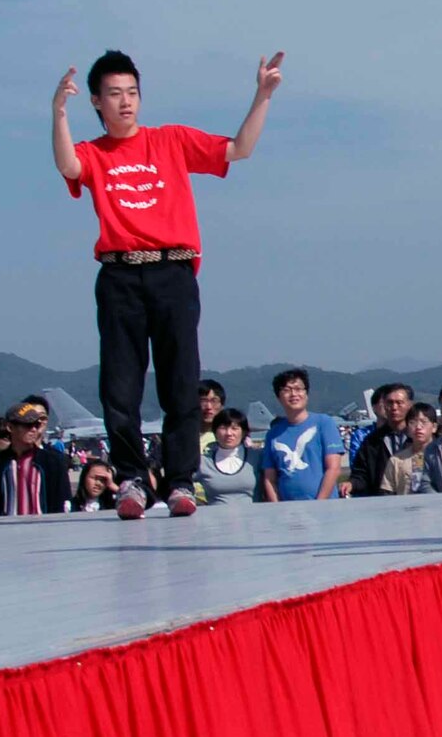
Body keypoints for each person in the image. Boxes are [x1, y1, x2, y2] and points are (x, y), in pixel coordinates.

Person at [52, 48, 281, 518]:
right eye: (114, 94)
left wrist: (262, 94)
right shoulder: (93, 153)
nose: (125, 102)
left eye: (132, 93)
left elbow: (239, 150)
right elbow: (69, 168)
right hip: (119, 274)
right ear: (96, 101)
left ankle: (179, 480)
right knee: (120, 387)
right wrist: (58, 112)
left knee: (181, 383)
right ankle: (133, 479)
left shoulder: (171, 140)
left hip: (173, 270)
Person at [0, 400, 73, 516]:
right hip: (5, 529)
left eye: (36, 425)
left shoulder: (53, 462)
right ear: (10, 427)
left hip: (44, 529)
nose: (33, 429)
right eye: (27, 425)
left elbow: (62, 503)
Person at [261, 369, 344, 502]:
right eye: (287, 390)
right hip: (288, 511)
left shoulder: (324, 422)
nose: (294, 394)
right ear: (278, 396)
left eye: (298, 389)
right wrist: (276, 508)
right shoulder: (273, 434)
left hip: (324, 508)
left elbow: (333, 468)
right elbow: (269, 478)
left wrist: (319, 503)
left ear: (306, 394)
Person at [349, 383, 413, 497]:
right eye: (390, 403)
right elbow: (361, 474)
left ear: (409, 405)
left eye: (399, 403)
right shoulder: (372, 441)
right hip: (382, 502)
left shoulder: (418, 439)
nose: (394, 407)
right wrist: (351, 484)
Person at [196, 409, 259, 505]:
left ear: (243, 432)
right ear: (215, 431)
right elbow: (180, 485)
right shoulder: (204, 462)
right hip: (215, 518)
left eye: (234, 428)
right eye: (223, 428)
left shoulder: (255, 456)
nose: (229, 433)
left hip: (254, 517)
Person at [383, 403, 436, 496]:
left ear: (434, 427)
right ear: (407, 428)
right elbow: (387, 493)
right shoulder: (397, 460)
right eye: (413, 422)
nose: (418, 427)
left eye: (424, 422)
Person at [197, 380, 226, 453]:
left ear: (222, 405)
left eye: (214, 401)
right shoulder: (183, 435)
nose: (208, 407)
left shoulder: (227, 437)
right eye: (203, 401)